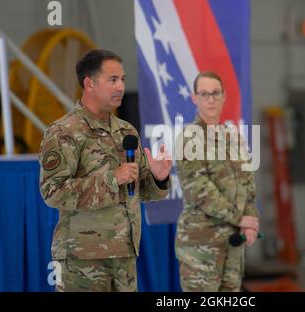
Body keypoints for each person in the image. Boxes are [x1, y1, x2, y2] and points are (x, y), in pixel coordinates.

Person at [39, 49, 172, 292]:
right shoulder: (64, 132)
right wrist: (112, 179)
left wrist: (158, 178)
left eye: (122, 79)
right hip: (83, 260)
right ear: (89, 83)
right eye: (113, 80)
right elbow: (53, 192)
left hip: (124, 256)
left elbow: (138, 192)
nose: (120, 87)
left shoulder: (126, 131)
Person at [175, 71, 259, 291]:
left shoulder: (233, 138)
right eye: (204, 94)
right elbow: (199, 190)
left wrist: (250, 219)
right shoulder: (189, 138)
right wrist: (239, 218)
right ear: (195, 98)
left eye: (215, 93)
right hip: (201, 246)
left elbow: (248, 184)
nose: (210, 99)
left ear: (224, 96)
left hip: (232, 245)